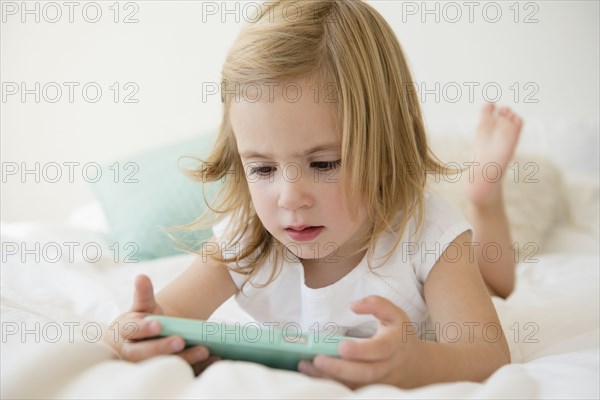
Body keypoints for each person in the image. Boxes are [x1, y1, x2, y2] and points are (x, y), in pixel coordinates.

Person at [107, 0, 522, 389]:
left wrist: (417, 365)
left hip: (455, 258)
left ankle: (484, 198)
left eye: (324, 165)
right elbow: (158, 318)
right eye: (263, 168)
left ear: (388, 143)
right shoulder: (246, 238)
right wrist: (143, 332)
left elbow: (487, 354)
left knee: (495, 284)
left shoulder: (429, 232)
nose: (289, 198)